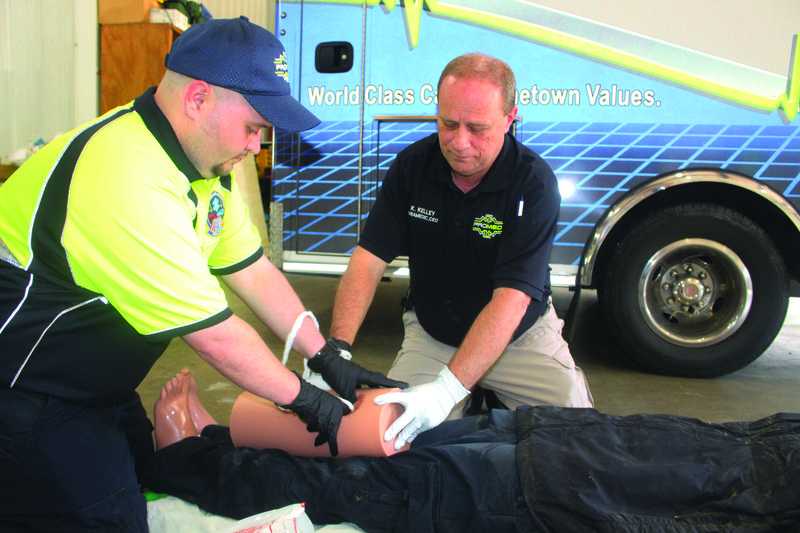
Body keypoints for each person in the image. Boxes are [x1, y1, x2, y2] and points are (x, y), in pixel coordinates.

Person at [0, 17, 403, 532]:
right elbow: (214, 335)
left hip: (93, 380)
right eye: (254, 127)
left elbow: (252, 271)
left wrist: (323, 353)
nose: (258, 147)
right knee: (107, 520)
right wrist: (304, 399)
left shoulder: (207, 169)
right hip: (28, 389)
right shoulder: (126, 172)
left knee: (148, 475)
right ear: (197, 99)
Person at [144, 370, 800, 533]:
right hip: (574, 443)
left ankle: (190, 461)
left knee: (362, 487)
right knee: (386, 436)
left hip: (558, 491)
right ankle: (215, 439)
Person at [329, 52, 592, 450]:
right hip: (437, 332)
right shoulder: (412, 168)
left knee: (579, 442)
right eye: (448, 124)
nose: (459, 142)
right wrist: (336, 351)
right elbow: (368, 260)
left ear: (510, 118)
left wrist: (446, 391)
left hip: (519, 337)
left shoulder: (534, 183)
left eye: (478, 128)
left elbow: (512, 299)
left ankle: (475, 396)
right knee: (398, 443)